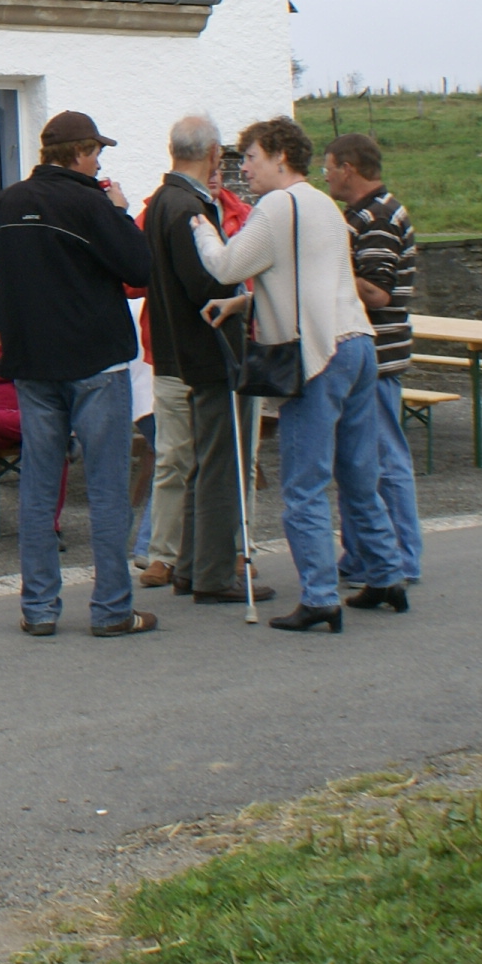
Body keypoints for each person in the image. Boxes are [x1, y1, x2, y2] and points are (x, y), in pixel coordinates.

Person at [0, 110, 156, 639]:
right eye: (96, 152)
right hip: (96, 362)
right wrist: (121, 213)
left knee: (38, 485)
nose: (99, 162)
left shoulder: (5, 202)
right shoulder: (93, 203)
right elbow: (141, 269)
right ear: (80, 153)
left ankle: (39, 608)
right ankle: (111, 609)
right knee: (105, 488)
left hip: (32, 364)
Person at [188, 118, 408, 632]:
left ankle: (320, 597)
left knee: (304, 485)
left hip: (316, 352)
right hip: (358, 343)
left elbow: (226, 265)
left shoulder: (276, 206)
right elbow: (306, 276)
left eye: (251, 157)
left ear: (280, 157)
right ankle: (386, 574)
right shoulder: (324, 205)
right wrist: (244, 303)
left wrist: (202, 227)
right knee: (359, 475)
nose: (245, 168)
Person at [139, 118, 270, 606]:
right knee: (220, 464)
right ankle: (213, 573)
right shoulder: (187, 206)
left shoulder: (163, 200)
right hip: (209, 346)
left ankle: (192, 567)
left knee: (200, 462)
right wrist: (243, 278)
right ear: (214, 152)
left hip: (181, 347)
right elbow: (206, 283)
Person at [324, 132, 424, 591]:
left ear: (348, 168)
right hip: (369, 354)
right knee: (359, 462)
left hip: (378, 357)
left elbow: (378, 292)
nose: (325, 176)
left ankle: (399, 559)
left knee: (383, 460)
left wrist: (330, 263)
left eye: (328, 167)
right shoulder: (363, 214)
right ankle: (364, 555)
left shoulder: (379, 218)